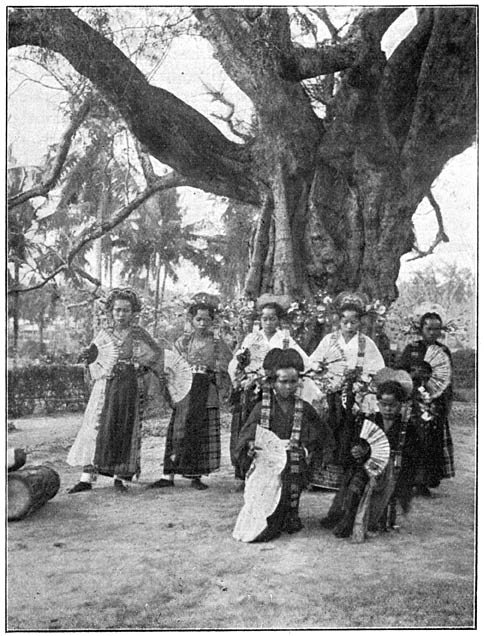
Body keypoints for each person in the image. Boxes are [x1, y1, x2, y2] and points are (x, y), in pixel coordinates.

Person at [67, 288, 163, 493]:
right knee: (96, 425)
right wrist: (88, 358)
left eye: (126, 310)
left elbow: (156, 353)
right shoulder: (104, 334)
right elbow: (94, 359)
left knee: (125, 426)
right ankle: (87, 478)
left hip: (129, 384)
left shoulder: (139, 333)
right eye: (117, 310)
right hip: (106, 385)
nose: (121, 314)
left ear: (133, 312)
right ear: (110, 311)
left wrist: (141, 365)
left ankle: (120, 476)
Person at [234, 349, 335, 542]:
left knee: (294, 459)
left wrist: (307, 449)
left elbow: (322, 436)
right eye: (283, 381)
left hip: (292, 458)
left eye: (293, 381)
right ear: (272, 382)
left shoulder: (304, 408)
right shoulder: (261, 407)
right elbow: (246, 436)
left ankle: (291, 514)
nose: (289, 387)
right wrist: (251, 446)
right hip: (266, 460)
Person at [228, 302, 321, 485]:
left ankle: (280, 468)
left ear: (278, 320)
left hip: (278, 388)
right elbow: (236, 363)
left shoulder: (285, 340)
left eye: (272, 318)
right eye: (264, 318)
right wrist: (240, 367)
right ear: (259, 320)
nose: (268, 322)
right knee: (250, 426)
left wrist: (314, 368)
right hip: (255, 388)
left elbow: (303, 359)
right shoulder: (252, 338)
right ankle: (245, 471)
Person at [320, 379, 420, 540]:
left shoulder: (408, 427)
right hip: (367, 465)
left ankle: (359, 520)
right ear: (378, 403)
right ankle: (349, 517)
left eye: (392, 405)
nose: (387, 409)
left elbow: (413, 455)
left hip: (392, 472)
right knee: (355, 483)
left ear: (401, 404)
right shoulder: (370, 421)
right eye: (384, 404)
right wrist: (358, 451)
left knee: (378, 480)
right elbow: (358, 442)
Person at [150, 302, 232, 490]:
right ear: (192, 320)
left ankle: (196, 476)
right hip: (185, 390)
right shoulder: (183, 342)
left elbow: (227, 365)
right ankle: (168, 475)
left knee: (201, 431)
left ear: (213, 321)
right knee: (177, 430)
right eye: (198, 319)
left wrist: (214, 372)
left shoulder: (218, 343)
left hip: (206, 389)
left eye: (207, 319)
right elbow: (172, 366)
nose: (202, 323)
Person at [308, 302, 385, 486]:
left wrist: (362, 381)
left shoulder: (366, 343)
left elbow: (377, 368)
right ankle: (320, 474)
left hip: (355, 391)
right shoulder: (329, 340)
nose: (349, 327)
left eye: (354, 322)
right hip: (330, 390)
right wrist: (320, 368)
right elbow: (314, 361)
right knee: (326, 422)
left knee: (351, 427)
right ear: (339, 322)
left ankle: (346, 475)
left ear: (360, 323)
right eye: (345, 322)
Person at [397, 312, 454, 496]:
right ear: (421, 329)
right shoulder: (412, 349)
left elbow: (447, 380)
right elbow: (400, 373)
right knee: (411, 440)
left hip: (435, 403)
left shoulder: (443, 351)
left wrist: (445, 404)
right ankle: (409, 480)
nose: (432, 332)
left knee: (432, 441)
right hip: (414, 402)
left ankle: (425, 481)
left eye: (436, 329)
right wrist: (412, 377)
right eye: (429, 328)